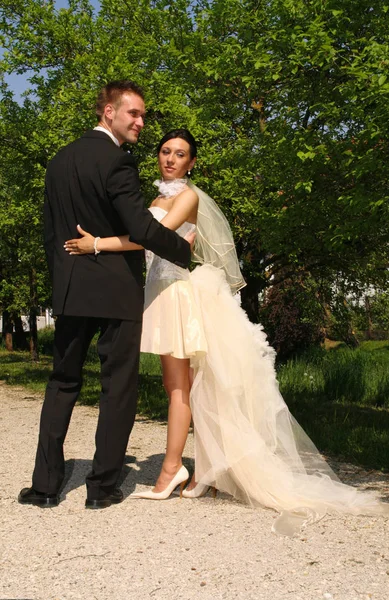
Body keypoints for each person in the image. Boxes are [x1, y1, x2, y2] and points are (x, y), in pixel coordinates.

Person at [64, 129, 389, 534]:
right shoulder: (153, 199)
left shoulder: (188, 196)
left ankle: (173, 469)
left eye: (181, 154)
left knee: (179, 387)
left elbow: (148, 236)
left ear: (191, 163)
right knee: (185, 385)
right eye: (166, 152)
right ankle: (201, 472)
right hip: (159, 292)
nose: (171, 159)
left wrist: (96, 244)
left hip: (178, 295)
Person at [18, 83, 195, 510]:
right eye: (133, 114)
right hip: (117, 290)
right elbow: (140, 228)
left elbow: (50, 233)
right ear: (108, 112)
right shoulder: (118, 162)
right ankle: (102, 489)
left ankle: (44, 488)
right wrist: (183, 253)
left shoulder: (59, 160)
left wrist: (62, 279)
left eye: (143, 116)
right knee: (118, 387)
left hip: (73, 287)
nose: (139, 123)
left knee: (62, 382)